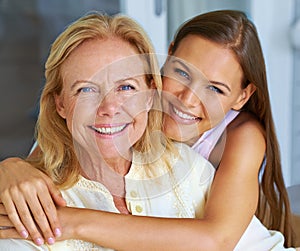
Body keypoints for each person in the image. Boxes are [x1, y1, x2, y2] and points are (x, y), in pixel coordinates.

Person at [0, 10, 297, 250]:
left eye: (215, 89)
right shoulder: (130, 115)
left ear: (242, 97)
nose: (187, 100)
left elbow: (216, 239)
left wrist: (73, 222)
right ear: (166, 61)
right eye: (182, 72)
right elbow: (52, 150)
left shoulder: (236, 140)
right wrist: (11, 169)